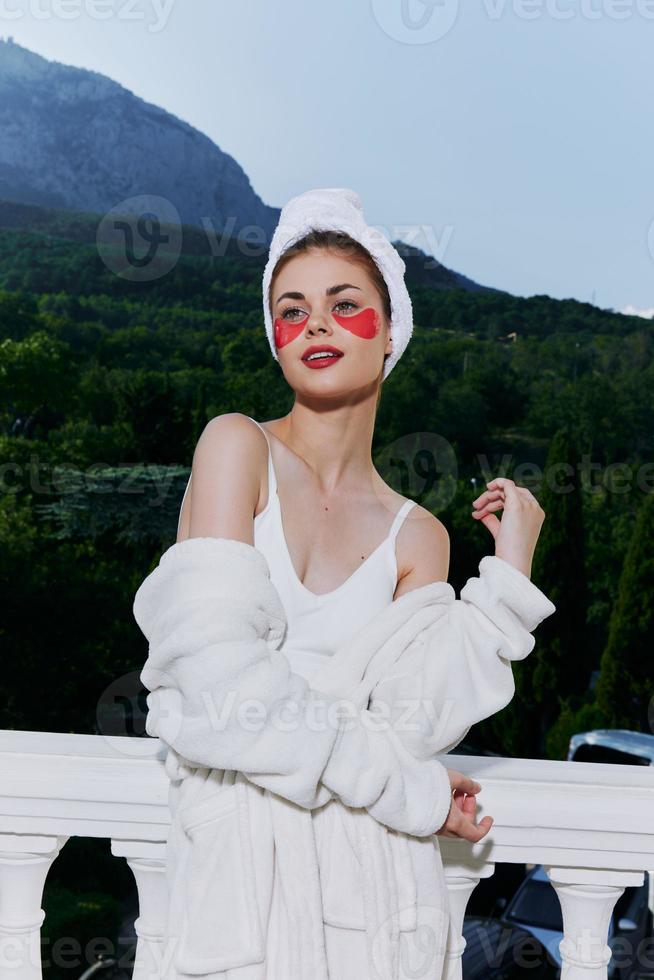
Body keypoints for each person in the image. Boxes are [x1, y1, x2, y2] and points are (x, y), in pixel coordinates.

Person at [170, 187, 551, 977]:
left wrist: (507, 578)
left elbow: (417, 721)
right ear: (273, 336)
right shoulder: (234, 449)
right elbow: (215, 693)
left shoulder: (420, 535)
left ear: (390, 333)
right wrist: (411, 793)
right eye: (291, 308)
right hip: (241, 891)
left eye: (345, 304)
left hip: (378, 902)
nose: (314, 324)